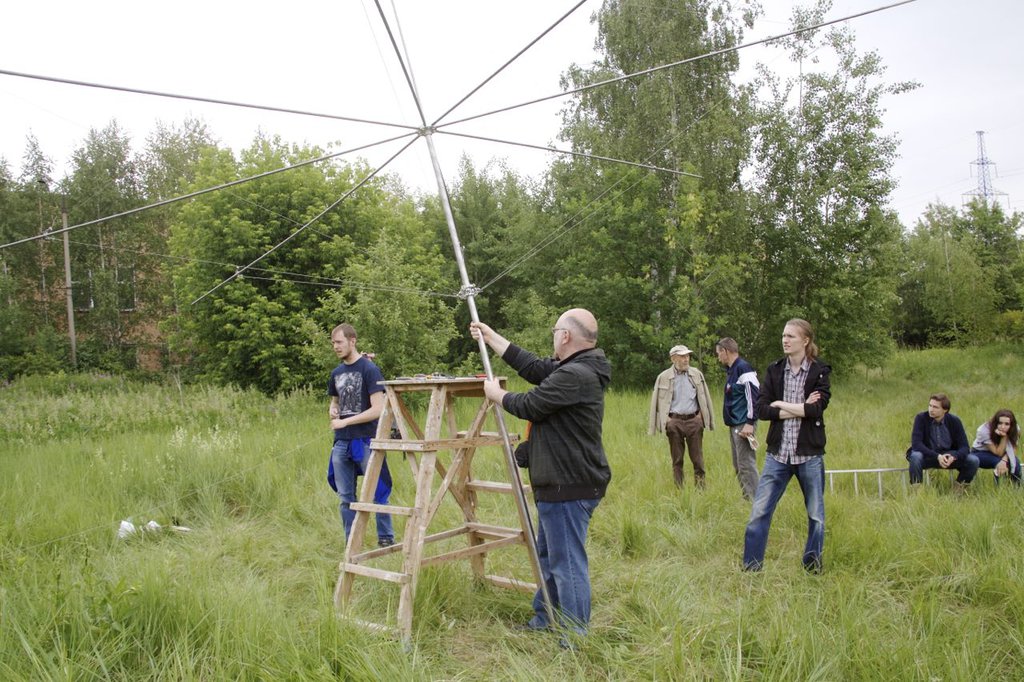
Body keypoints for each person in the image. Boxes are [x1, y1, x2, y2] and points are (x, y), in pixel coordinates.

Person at [470, 308, 611, 646]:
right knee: (549, 556)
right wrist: (491, 338)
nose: (553, 335)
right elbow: (533, 367)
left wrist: (496, 395)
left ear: (565, 336)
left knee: (567, 564)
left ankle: (574, 637)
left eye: (555, 329)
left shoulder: (576, 374)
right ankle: (546, 617)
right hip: (558, 482)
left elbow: (530, 404)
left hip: (569, 483)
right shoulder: (573, 368)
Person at [742, 319, 831, 573]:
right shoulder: (774, 370)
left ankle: (812, 568)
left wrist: (779, 404)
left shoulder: (820, 371)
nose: (785, 340)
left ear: (805, 341)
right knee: (759, 512)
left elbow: (815, 409)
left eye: (791, 336)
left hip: (809, 455)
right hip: (778, 455)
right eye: (783, 335)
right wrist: (795, 408)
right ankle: (751, 568)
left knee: (816, 515)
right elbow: (761, 409)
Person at [327, 323, 394, 549]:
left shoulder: (369, 370)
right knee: (346, 497)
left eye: (339, 342)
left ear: (352, 341)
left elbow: (378, 409)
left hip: (366, 439)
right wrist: (333, 410)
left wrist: (344, 420)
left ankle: (386, 538)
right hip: (341, 442)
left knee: (378, 490)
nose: (335, 346)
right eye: (333, 343)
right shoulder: (336, 373)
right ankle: (352, 542)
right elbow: (335, 401)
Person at [648, 345, 715, 489]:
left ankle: (701, 491)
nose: (686, 359)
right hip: (674, 422)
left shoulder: (696, 374)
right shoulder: (663, 377)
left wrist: (701, 417)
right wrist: (667, 421)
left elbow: (704, 398)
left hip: (694, 421)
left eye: (688, 356)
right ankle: (680, 491)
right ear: (673, 359)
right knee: (677, 461)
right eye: (682, 356)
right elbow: (657, 402)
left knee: (698, 460)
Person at [716, 337, 761, 501]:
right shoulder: (732, 371)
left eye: (718, 353)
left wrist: (750, 423)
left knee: (746, 464)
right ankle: (747, 498)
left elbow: (754, 396)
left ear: (725, 351)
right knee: (738, 465)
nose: (718, 357)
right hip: (735, 424)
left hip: (744, 424)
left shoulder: (743, 368)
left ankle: (756, 501)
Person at [906, 393, 979, 491]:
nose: (931, 409)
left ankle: (957, 492)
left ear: (945, 410)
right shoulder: (921, 418)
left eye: (935, 407)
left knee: (973, 460)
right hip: (928, 455)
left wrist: (954, 457)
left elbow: (964, 447)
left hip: (948, 456)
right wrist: (937, 456)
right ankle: (917, 492)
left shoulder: (954, 421)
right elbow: (916, 444)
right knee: (915, 456)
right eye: (930, 405)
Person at [969, 408, 1022, 485]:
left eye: (1007, 424)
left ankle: (1016, 487)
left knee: (1015, 463)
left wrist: (1004, 460)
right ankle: (999, 488)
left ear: (1011, 424)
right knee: (999, 463)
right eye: (1000, 423)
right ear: (995, 423)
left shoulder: (1015, 429)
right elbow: (998, 453)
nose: (1003, 427)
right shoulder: (984, 430)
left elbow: (1013, 448)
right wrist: (1005, 437)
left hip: (1004, 452)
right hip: (980, 452)